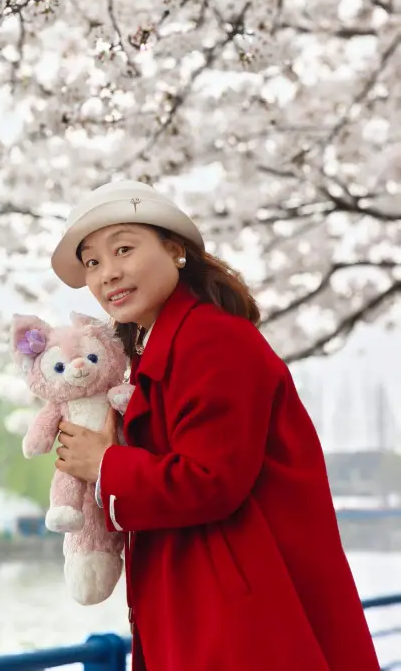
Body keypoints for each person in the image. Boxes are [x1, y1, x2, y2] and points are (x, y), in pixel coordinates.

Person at [51, 179, 380, 671]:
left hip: (238, 617)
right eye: (93, 262)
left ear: (175, 250)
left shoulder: (212, 342)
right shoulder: (162, 350)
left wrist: (105, 464)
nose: (107, 274)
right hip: (211, 600)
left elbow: (211, 480)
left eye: (124, 248)